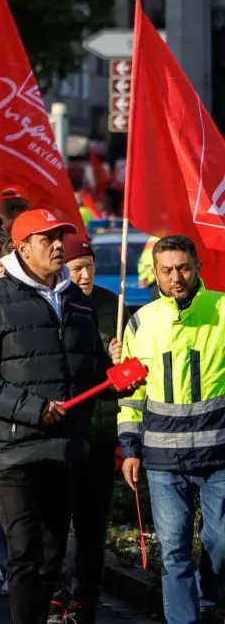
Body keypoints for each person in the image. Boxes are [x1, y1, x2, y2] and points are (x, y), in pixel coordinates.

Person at [0, 210, 109, 624]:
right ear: (21, 247)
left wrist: (116, 378)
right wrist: (31, 409)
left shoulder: (77, 300)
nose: (59, 245)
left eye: (61, 237)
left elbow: (88, 365)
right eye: (47, 239)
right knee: (24, 555)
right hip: (15, 447)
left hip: (67, 448)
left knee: (52, 559)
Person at [118, 235, 225, 624]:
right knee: (175, 552)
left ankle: (210, 596)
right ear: (156, 275)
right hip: (163, 459)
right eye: (166, 270)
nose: (176, 277)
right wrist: (129, 447)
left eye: (182, 267)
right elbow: (131, 395)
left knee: (221, 543)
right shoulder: (141, 321)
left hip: (219, 454)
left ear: (197, 266)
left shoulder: (223, 309)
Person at [56, 232, 126, 622]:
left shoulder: (110, 305)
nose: (84, 275)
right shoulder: (56, 302)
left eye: (89, 267)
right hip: (63, 430)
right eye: (76, 267)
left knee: (92, 525)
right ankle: (55, 595)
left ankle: (86, 597)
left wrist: (118, 362)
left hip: (100, 432)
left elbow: (128, 372)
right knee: (58, 523)